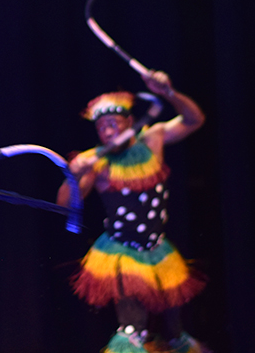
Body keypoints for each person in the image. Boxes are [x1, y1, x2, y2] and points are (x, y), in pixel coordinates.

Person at [57, 71, 208, 353]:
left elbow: (194, 120)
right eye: (102, 127)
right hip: (121, 252)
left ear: (130, 121)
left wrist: (168, 93)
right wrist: (73, 175)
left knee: (175, 333)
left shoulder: (153, 138)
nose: (109, 131)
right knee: (132, 331)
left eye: (114, 123)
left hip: (158, 249)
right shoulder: (95, 161)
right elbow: (66, 204)